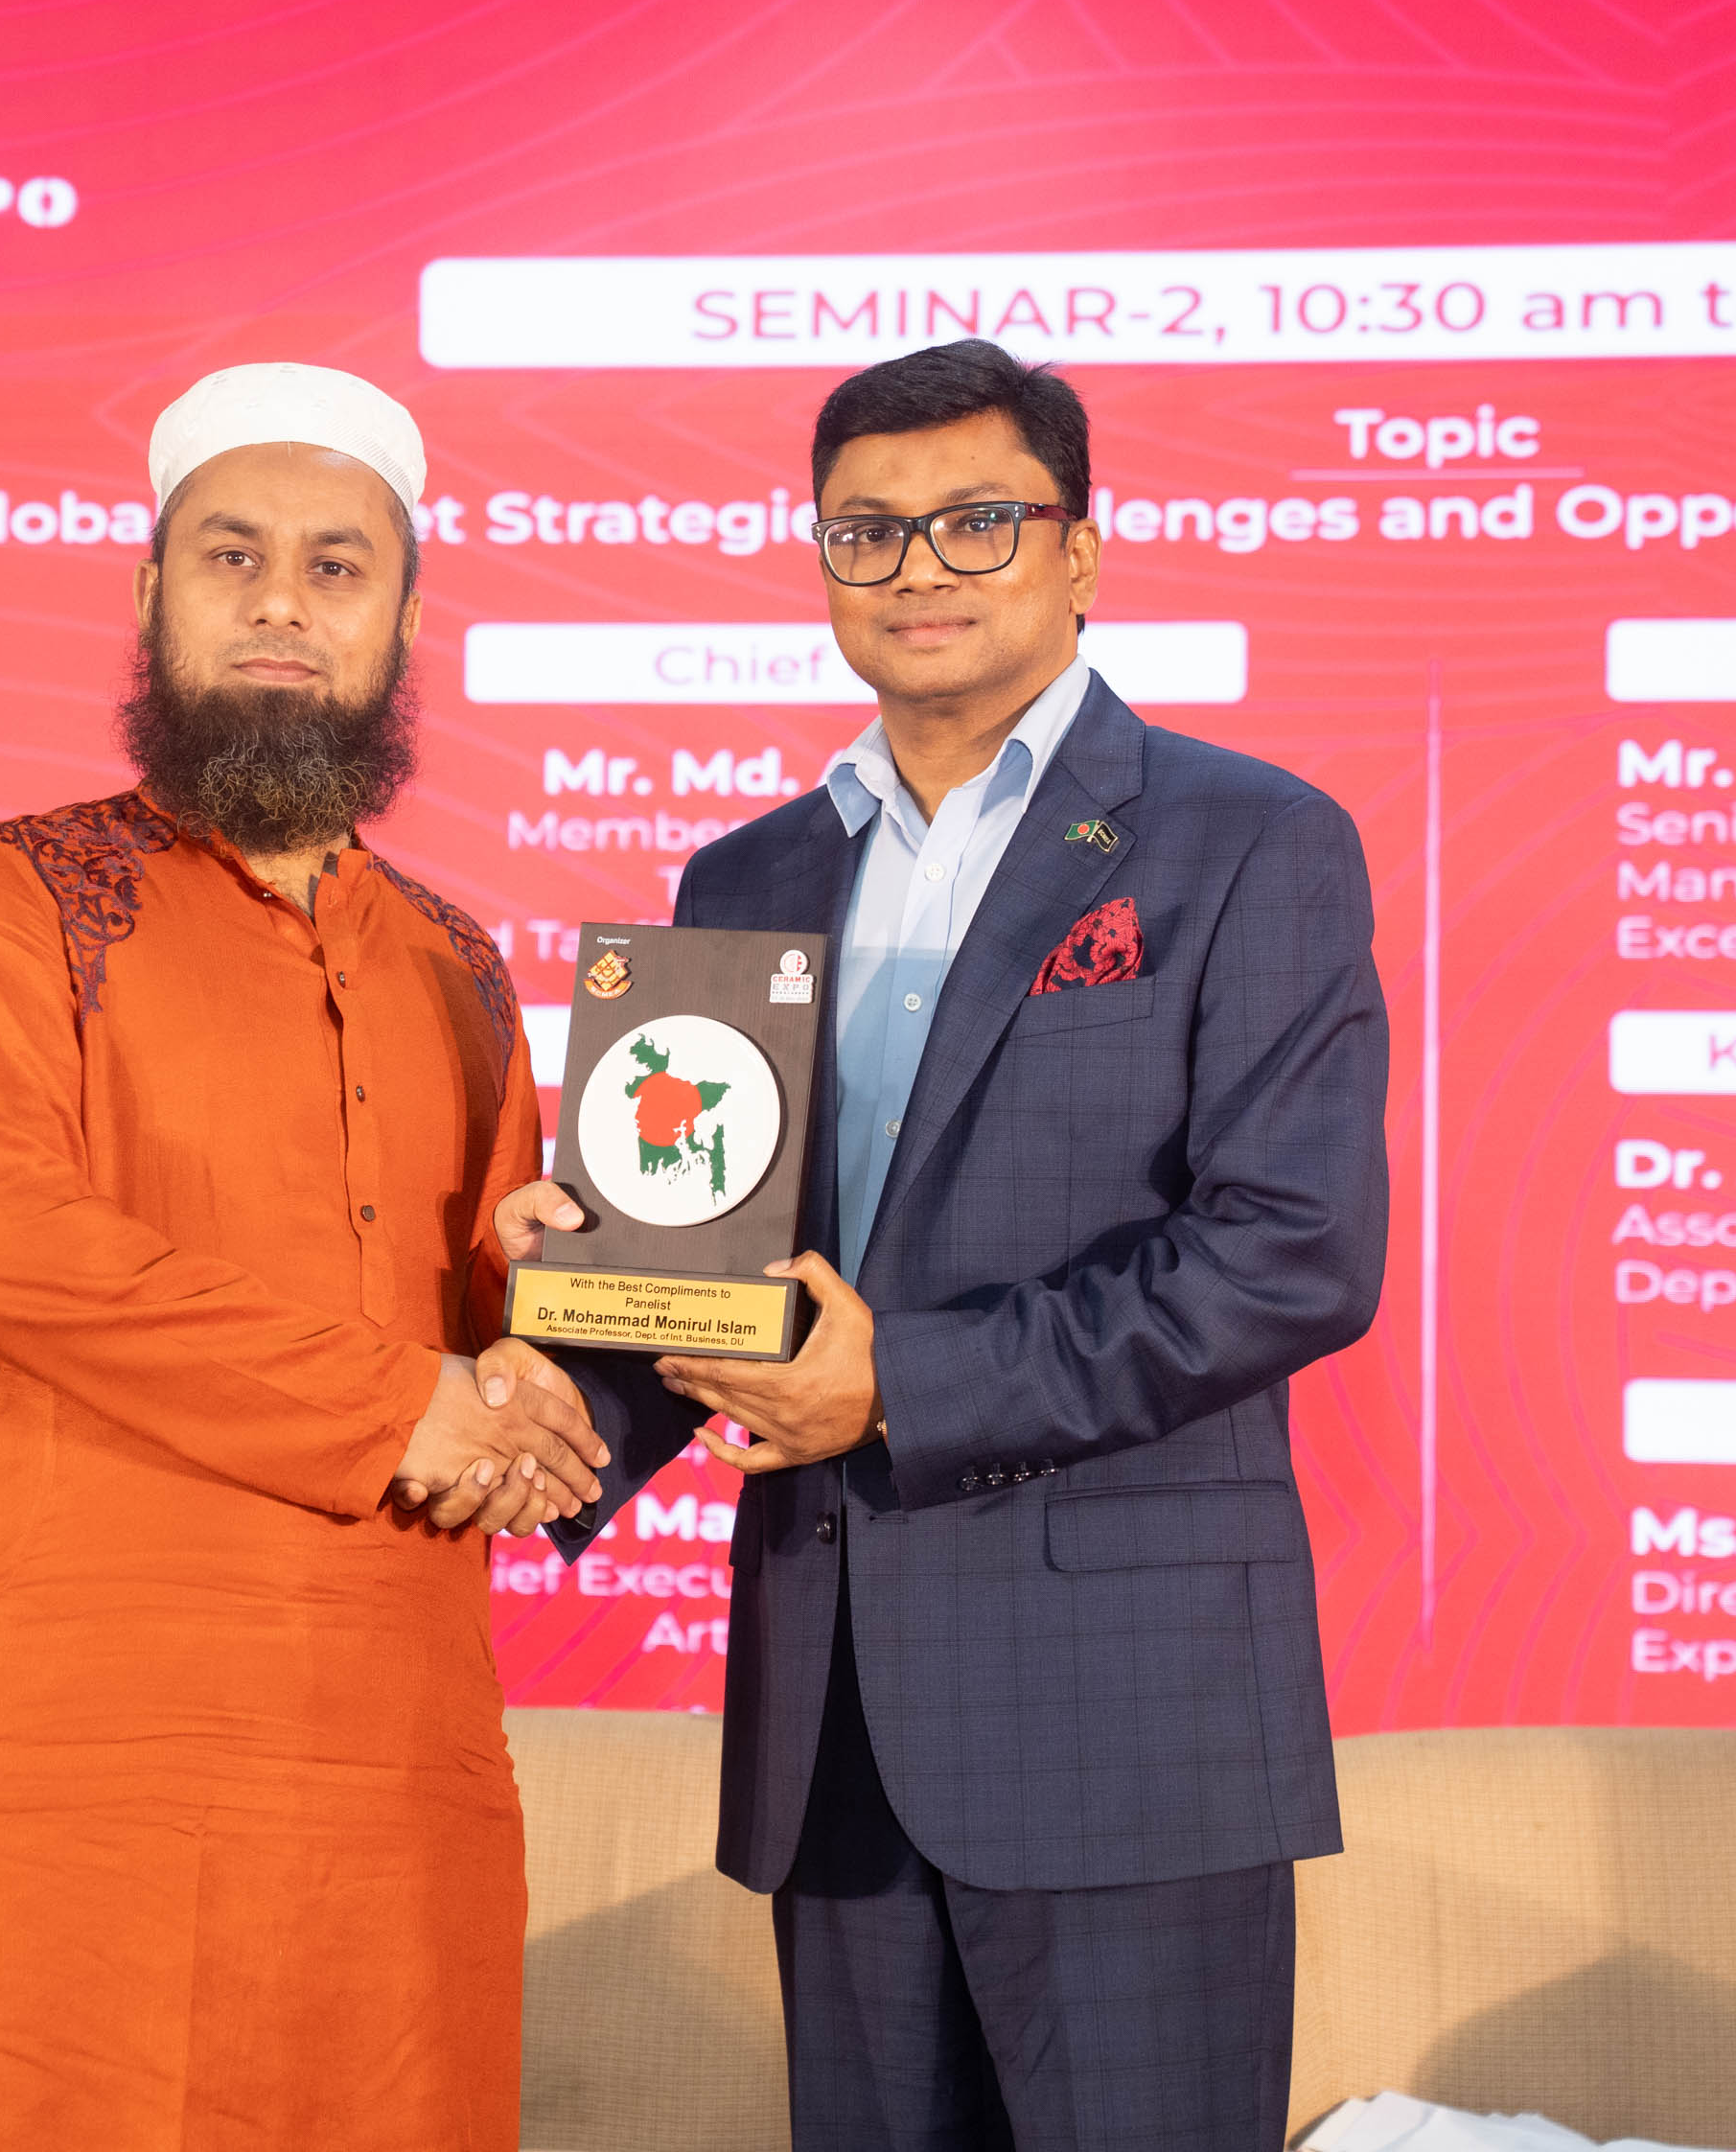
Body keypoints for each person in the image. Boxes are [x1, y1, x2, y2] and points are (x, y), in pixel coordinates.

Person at [503, 338, 1391, 2148]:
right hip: (830, 1711)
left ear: (1081, 550)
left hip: (1129, 1721)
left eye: (978, 521)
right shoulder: (747, 879)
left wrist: (899, 1382)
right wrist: (549, 1376)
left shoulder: (1252, 841)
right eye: (868, 531)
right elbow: (717, 1267)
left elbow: (1293, 1249)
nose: (919, 568)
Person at [0, 361, 611, 2152]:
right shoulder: (6, 896)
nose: (282, 602)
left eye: (338, 567)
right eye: (232, 554)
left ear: (401, 618)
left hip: (392, 1744)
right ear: (149, 594)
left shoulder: (459, 964)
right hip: (70, 1740)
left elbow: (478, 1346)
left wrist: (551, 1323)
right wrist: (409, 1403)